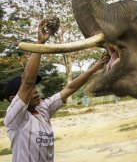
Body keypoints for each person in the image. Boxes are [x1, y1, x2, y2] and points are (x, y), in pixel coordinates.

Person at [3, 19, 109, 162]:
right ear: (13, 100)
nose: (34, 91)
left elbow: (70, 88)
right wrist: (40, 44)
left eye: (35, 88)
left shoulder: (43, 109)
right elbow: (27, 82)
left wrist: (96, 67)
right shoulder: (15, 118)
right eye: (29, 90)